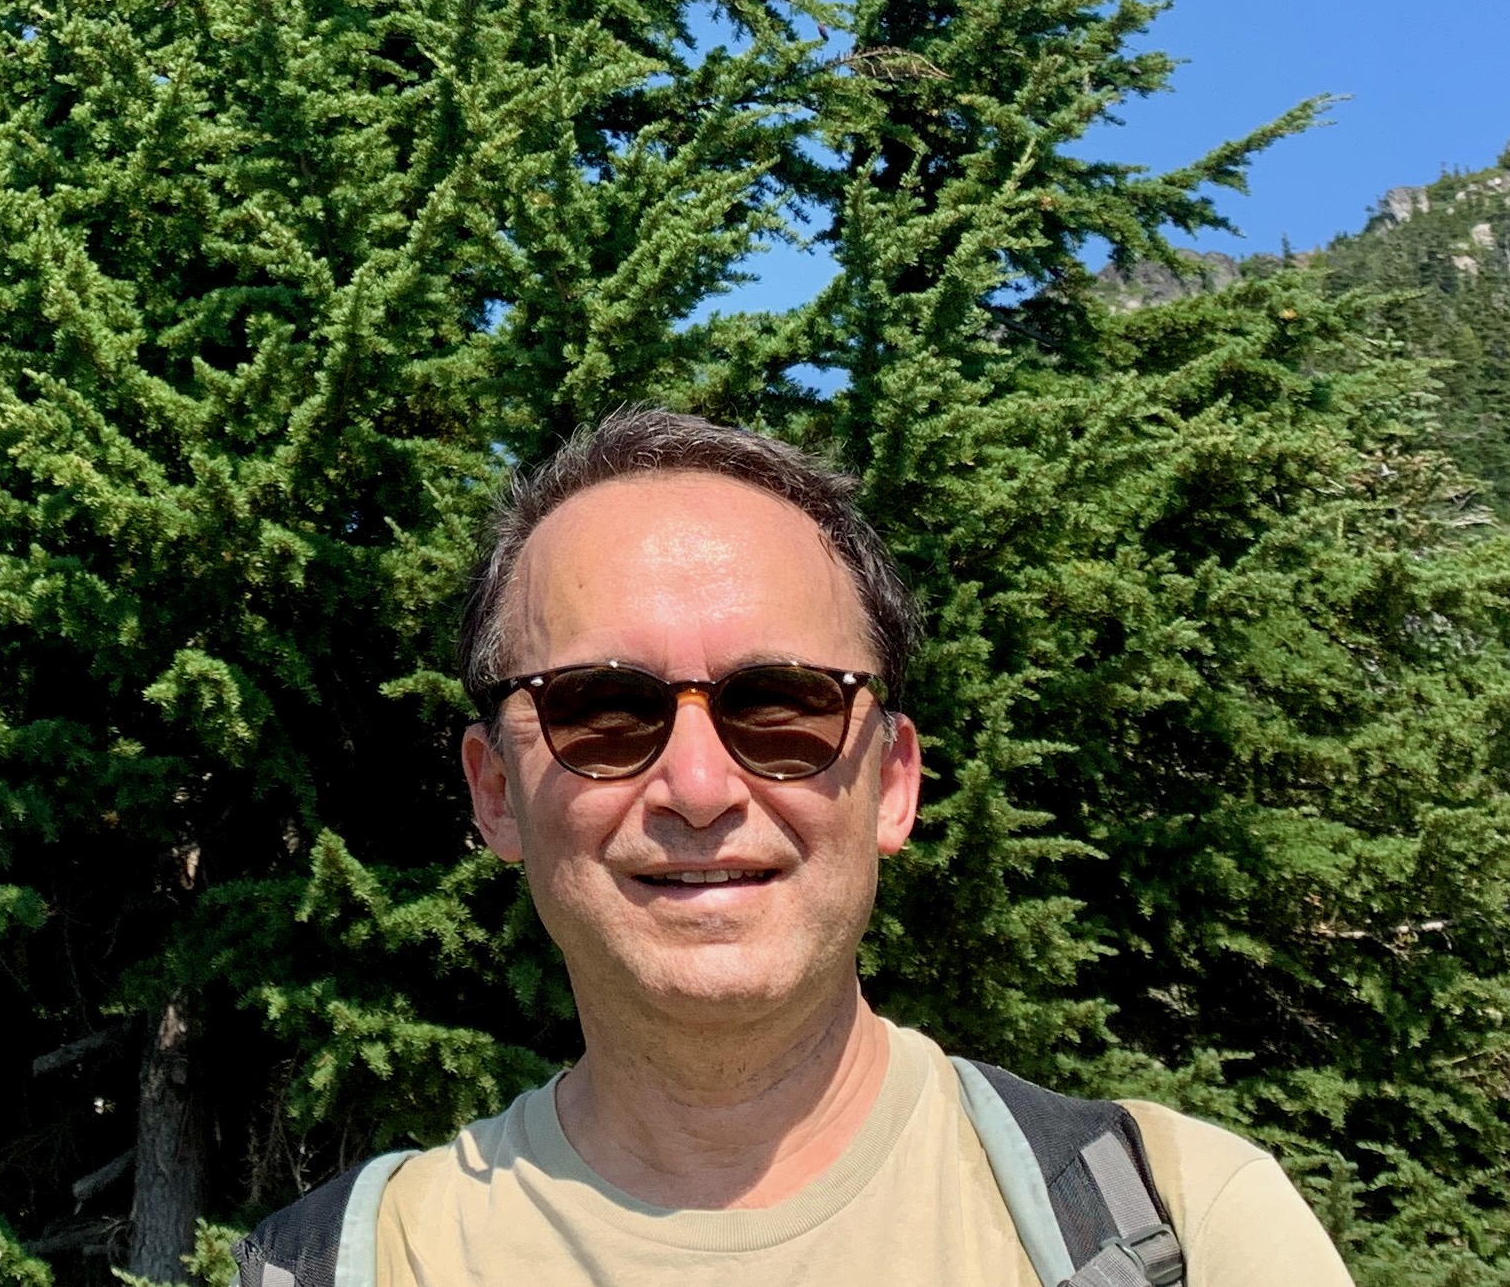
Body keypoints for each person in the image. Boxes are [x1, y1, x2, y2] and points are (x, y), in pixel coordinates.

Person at [239, 410, 1349, 1287]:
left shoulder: (1185, 1232)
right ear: (493, 794)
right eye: (601, 713)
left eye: (781, 707)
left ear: (894, 784)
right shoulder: (355, 1264)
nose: (699, 785)